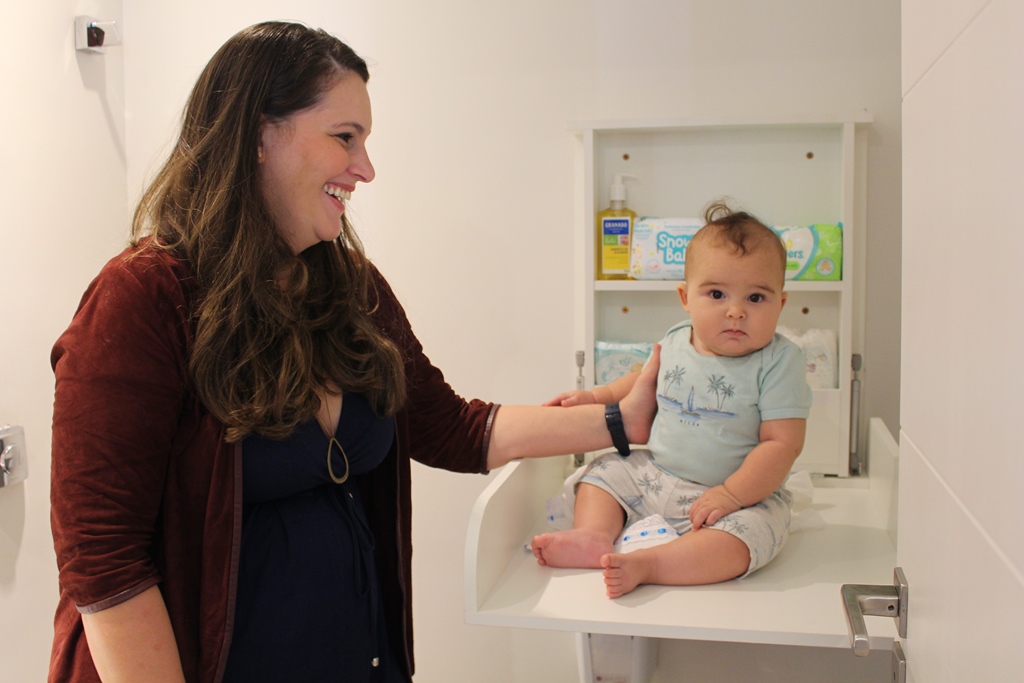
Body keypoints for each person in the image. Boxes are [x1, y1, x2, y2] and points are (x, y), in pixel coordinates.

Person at [48, 21, 658, 683]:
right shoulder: (144, 298)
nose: (365, 168)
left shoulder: (349, 289)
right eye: (345, 137)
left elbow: (452, 427)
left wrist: (621, 418)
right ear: (258, 135)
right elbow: (104, 564)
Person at [531, 202, 812, 598]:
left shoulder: (779, 362)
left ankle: (653, 564)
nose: (736, 311)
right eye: (717, 294)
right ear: (685, 297)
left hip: (737, 496)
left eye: (755, 298)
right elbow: (643, 379)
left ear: (780, 303)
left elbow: (782, 444)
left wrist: (732, 494)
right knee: (603, 471)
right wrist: (595, 396)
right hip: (656, 474)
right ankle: (593, 534)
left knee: (750, 535)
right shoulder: (679, 337)